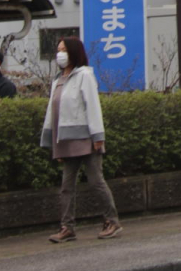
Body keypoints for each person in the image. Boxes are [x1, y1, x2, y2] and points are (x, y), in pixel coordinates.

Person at [40, 37, 123, 243]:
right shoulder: (58, 81)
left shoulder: (84, 75)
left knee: (96, 181)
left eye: (64, 50)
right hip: (67, 141)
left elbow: (92, 106)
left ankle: (112, 221)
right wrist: (55, 144)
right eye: (58, 49)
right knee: (66, 186)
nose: (60, 54)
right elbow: (54, 112)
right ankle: (67, 228)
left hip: (86, 139)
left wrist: (98, 136)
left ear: (74, 52)